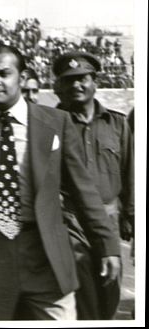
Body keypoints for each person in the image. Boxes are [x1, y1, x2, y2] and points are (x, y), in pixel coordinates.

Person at [0, 44, 121, 320]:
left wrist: (108, 246)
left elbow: (83, 189)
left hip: (45, 250)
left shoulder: (56, 122)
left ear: (22, 76)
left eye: (4, 73)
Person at [52, 51, 134, 320]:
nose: (76, 85)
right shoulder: (50, 124)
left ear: (95, 81)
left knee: (109, 294)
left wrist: (131, 216)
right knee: (83, 296)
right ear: (59, 86)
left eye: (82, 79)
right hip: (70, 221)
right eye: (69, 80)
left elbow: (130, 172)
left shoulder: (118, 123)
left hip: (109, 220)